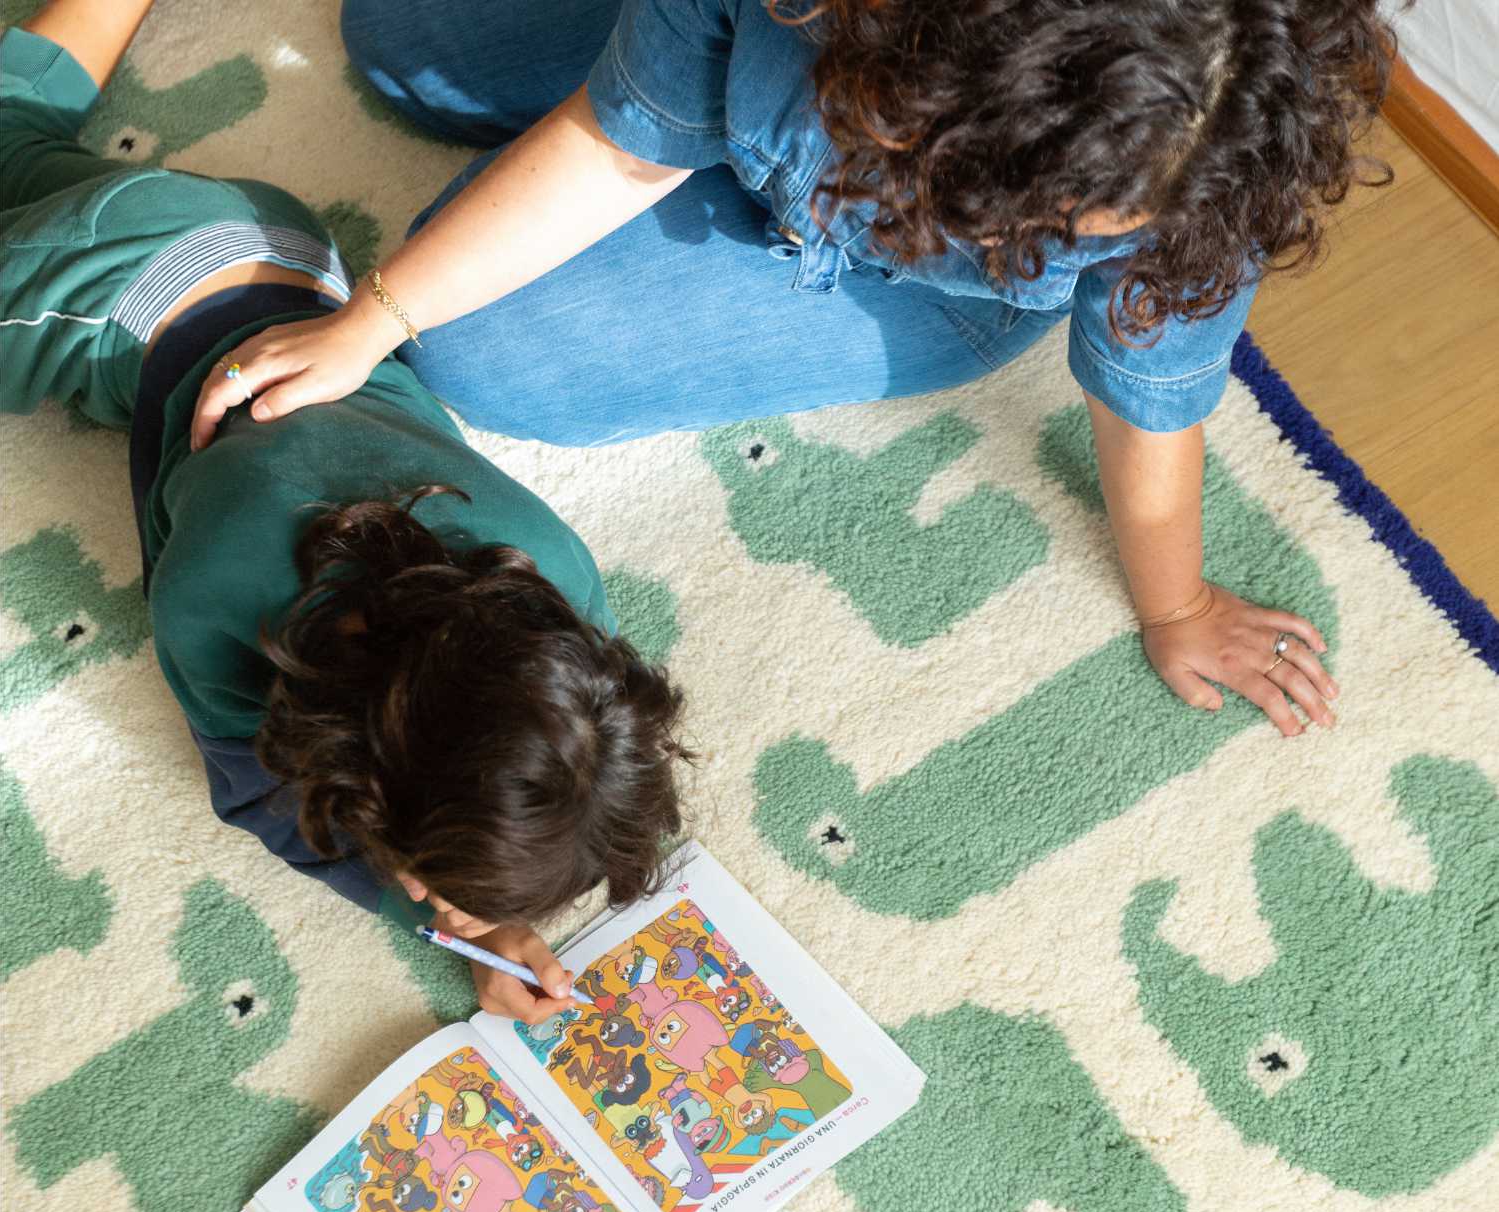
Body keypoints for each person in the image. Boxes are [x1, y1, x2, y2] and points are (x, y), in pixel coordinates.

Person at [188, 0, 1376, 736]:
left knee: (472, 346)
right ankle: (699, 89)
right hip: (789, 65)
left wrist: (1177, 604)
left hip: (889, 277)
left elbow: (1148, 417)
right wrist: (367, 316)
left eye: (1096, 225)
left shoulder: (1199, 179)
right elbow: (612, 150)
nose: (1096, 234)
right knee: (401, 38)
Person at [0, 1, 689, 1023]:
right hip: (114, 286)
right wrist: (424, 908)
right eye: (420, 871)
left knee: (17, 140)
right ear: (361, 770)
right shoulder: (227, 590)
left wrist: (481, 918)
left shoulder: (562, 584)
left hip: (296, 256)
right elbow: (254, 793)